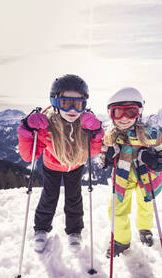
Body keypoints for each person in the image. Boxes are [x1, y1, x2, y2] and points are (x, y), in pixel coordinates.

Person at [17, 74, 104, 253]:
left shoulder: (85, 123)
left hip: (76, 166)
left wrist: (95, 133)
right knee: (50, 196)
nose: (72, 109)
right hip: (52, 166)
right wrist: (27, 131)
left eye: (78, 104)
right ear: (55, 102)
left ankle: (74, 231)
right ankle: (41, 228)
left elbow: (92, 152)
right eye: (66, 103)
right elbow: (28, 156)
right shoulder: (47, 124)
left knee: (74, 198)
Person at [101, 87, 162, 258]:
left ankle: (144, 228)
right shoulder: (110, 135)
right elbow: (102, 151)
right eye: (117, 112)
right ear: (111, 114)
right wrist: (106, 158)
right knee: (117, 208)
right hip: (123, 176)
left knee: (145, 205)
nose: (124, 118)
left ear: (139, 113)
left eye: (130, 112)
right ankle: (121, 240)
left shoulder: (150, 134)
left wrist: (158, 162)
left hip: (147, 176)